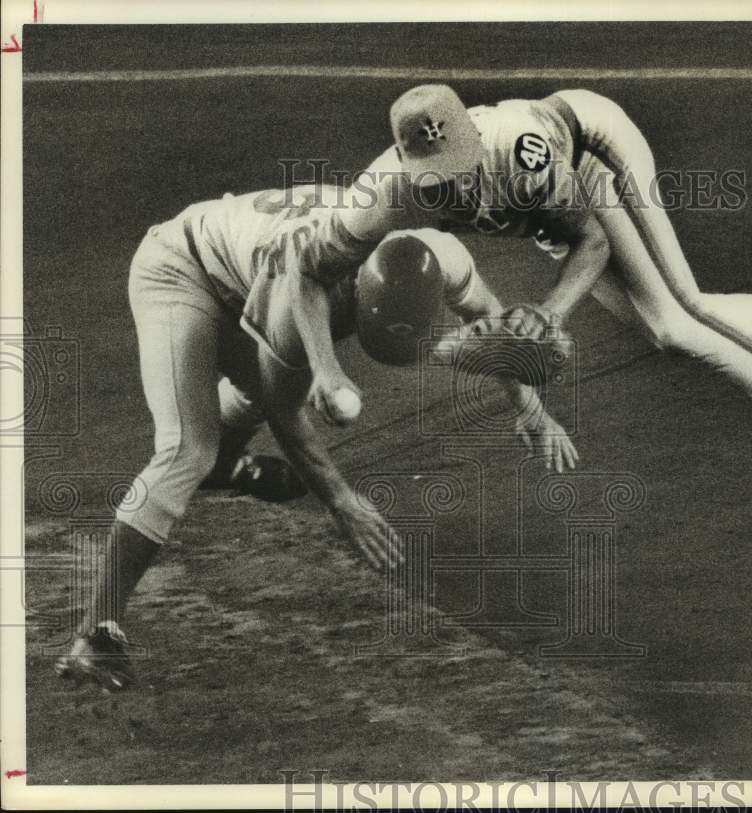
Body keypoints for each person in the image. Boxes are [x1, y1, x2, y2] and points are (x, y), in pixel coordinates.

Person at [324, 84, 752, 548]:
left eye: (461, 170)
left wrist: (551, 311)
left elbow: (590, 239)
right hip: (551, 211)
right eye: (436, 182)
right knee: (664, 327)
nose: (454, 191)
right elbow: (318, 257)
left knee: (681, 317)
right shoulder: (385, 191)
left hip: (594, 156)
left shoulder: (520, 149)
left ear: (472, 142)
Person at [55, 185, 576, 692]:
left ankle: (224, 466)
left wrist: (532, 411)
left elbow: (493, 323)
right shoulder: (303, 296)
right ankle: (94, 634)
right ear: (354, 295)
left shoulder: (438, 255)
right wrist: (342, 502)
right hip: (181, 268)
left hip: (246, 268)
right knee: (188, 446)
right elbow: (286, 414)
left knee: (256, 389)